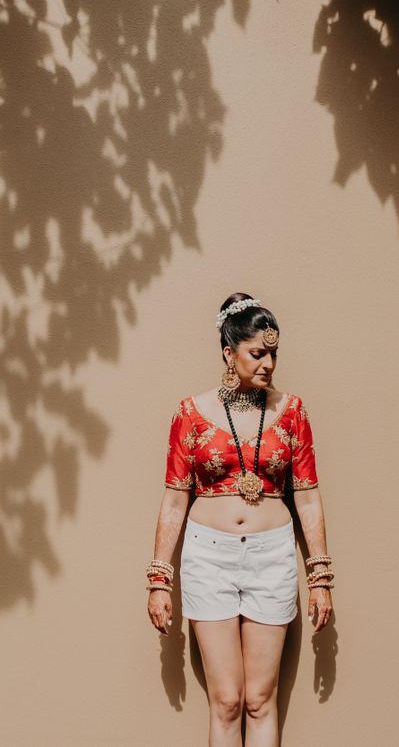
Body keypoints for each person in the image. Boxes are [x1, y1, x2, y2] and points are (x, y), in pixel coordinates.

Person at [146, 292, 334, 747]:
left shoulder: (292, 412)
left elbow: (307, 498)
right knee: (227, 700)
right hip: (208, 558)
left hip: (271, 557)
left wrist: (320, 576)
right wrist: (158, 579)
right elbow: (174, 501)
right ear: (229, 353)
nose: (268, 363)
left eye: (274, 353)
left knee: (259, 700)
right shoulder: (190, 414)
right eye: (258, 353)